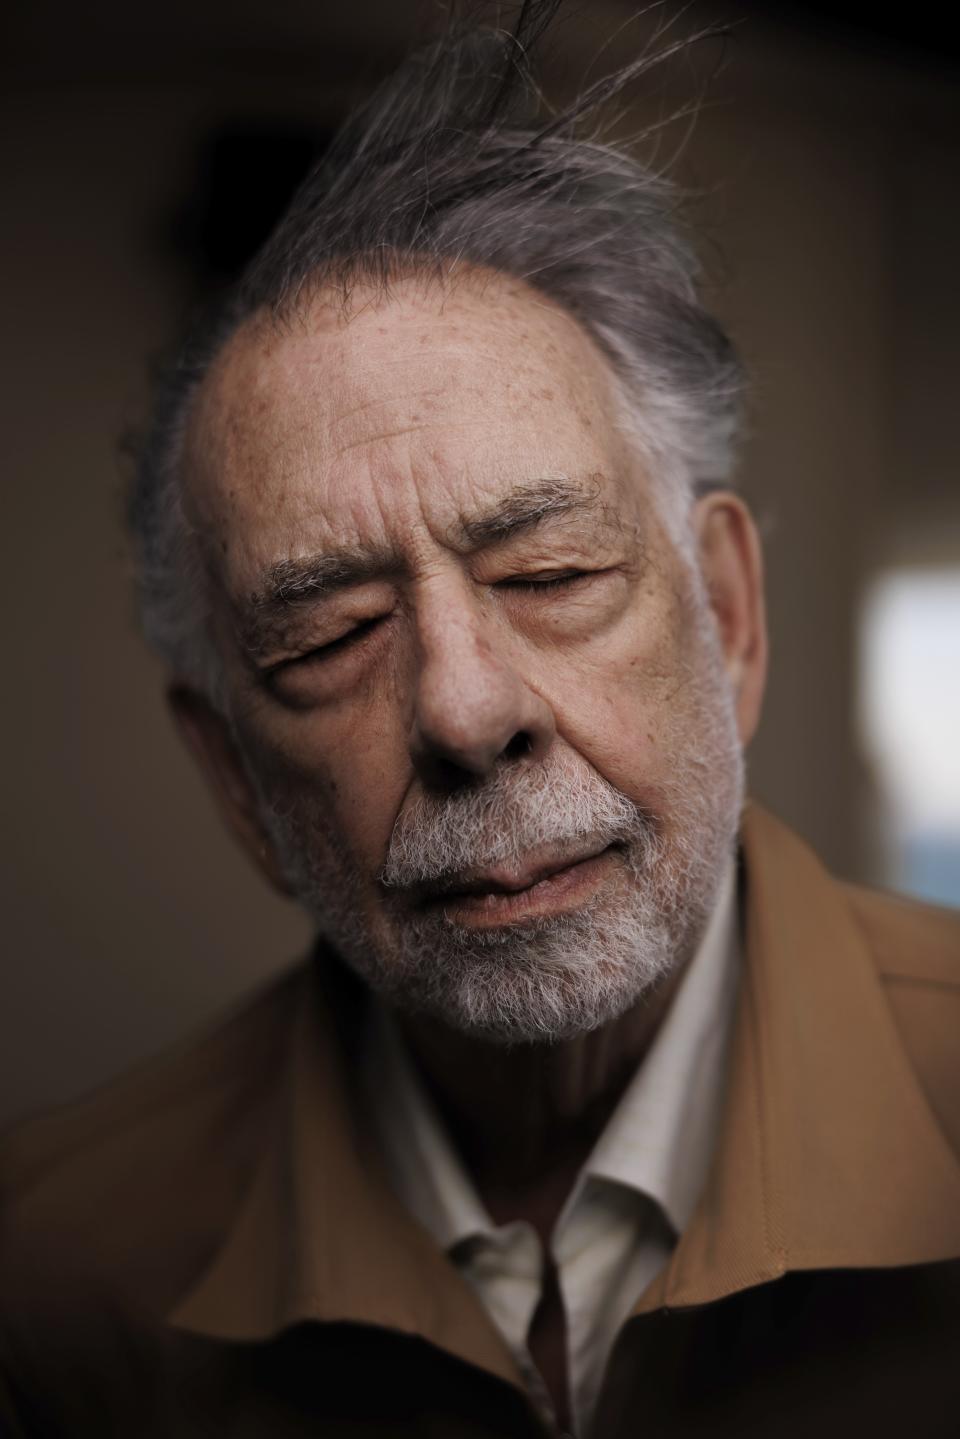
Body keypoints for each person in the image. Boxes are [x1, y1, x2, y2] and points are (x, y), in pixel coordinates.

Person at [2, 4, 958, 1435]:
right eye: (330, 635)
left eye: (553, 574)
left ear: (731, 619)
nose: (463, 706)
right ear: (235, 784)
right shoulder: (56, 1275)